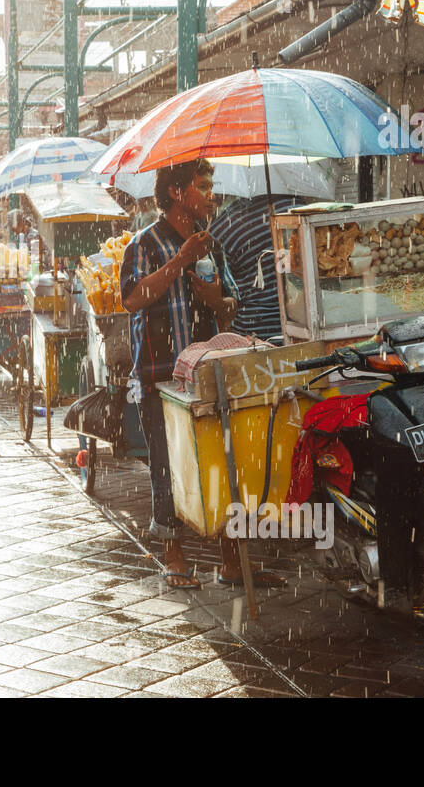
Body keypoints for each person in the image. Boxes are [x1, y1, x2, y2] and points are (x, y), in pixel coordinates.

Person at [121, 158, 283, 589]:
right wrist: (181, 261)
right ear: (177, 192)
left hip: (209, 372)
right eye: (204, 185)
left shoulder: (214, 245)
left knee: (219, 460)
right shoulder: (145, 243)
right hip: (161, 372)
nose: (212, 194)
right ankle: (174, 555)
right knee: (167, 462)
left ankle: (232, 561)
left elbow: (231, 306)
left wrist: (215, 298)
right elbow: (134, 298)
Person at [208, 193, 303, 344]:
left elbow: (223, 293)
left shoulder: (223, 227)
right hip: (301, 325)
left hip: (254, 336)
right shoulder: (297, 207)